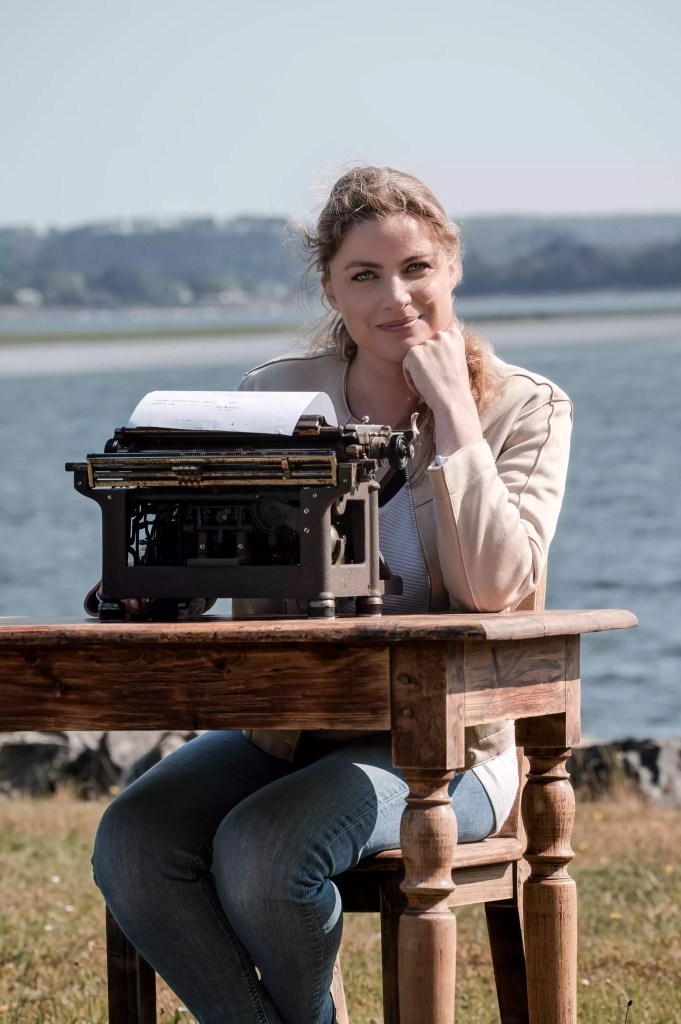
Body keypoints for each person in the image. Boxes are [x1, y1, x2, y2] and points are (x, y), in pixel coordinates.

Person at [92, 165, 572, 1024]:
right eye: (365, 275)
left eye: (417, 268)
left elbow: (497, 590)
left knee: (266, 848)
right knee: (133, 839)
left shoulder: (526, 409)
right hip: (287, 730)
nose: (397, 296)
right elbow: (225, 554)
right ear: (330, 287)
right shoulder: (274, 394)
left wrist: (454, 415)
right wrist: (166, 589)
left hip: (450, 748)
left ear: (452, 267)